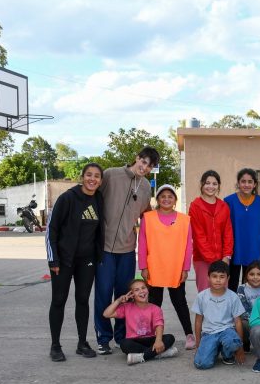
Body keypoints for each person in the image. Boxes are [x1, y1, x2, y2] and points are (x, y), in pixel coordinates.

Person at [94, 146, 157, 355]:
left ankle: (122, 338)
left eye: (149, 166)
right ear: (136, 158)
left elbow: (147, 217)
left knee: (125, 295)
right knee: (103, 294)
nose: (145, 167)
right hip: (104, 247)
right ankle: (103, 339)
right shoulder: (111, 175)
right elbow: (92, 197)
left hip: (128, 248)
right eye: (144, 162)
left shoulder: (146, 186)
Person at [46, 163, 104, 362]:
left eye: (97, 176)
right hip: (63, 260)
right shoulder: (67, 198)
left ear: (101, 181)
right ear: (82, 177)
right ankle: (55, 345)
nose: (92, 179)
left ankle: (82, 343)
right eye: (89, 175)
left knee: (82, 300)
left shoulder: (98, 199)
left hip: (86, 261)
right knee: (59, 300)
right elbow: (51, 230)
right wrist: (53, 258)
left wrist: (98, 256)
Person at [138, 184, 195, 350]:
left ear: (175, 200)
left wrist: (185, 268)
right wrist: (143, 266)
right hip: (154, 266)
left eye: (170, 196)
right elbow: (142, 244)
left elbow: (188, 246)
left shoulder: (185, 220)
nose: (166, 199)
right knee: (155, 303)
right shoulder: (148, 218)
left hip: (176, 267)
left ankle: (189, 334)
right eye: (163, 196)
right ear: (157, 199)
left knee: (180, 301)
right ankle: (151, 335)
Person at [102, 278, 178, 365]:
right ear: (132, 294)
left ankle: (141, 357)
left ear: (148, 290)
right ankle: (159, 354)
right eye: (136, 290)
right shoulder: (127, 307)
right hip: (134, 340)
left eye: (143, 288)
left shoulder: (155, 309)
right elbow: (106, 314)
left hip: (150, 340)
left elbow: (159, 325)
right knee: (124, 344)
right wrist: (119, 300)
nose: (141, 291)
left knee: (170, 338)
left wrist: (158, 341)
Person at [191, 261, 245, 369]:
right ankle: (214, 349)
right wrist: (198, 343)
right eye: (214, 276)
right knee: (201, 364)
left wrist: (240, 347)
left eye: (222, 277)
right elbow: (198, 321)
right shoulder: (202, 296)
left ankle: (227, 354)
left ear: (228, 278)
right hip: (209, 333)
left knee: (232, 341)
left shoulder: (233, 296)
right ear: (208, 277)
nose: (218, 280)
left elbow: (238, 321)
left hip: (227, 330)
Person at [189, 170, 234, 292]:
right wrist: (214, 260)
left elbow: (228, 233)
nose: (211, 186)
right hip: (202, 259)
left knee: (222, 293)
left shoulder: (223, 206)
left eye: (214, 184)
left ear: (218, 186)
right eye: (207, 183)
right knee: (205, 293)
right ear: (202, 185)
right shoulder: (195, 206)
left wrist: (226, 256)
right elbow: (198, 236)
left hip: (222, 259)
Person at [224, 168, 260, 291]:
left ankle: (247, 310)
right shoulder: (228, 201)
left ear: (255, 184)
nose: (246, 185)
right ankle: (232, 308)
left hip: (253, 249)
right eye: (243, 181)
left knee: (249, 285)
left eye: (250, 181)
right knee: (232, 283)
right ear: (238, 183)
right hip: (234, 248)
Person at [236, 260, 260, 353]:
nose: (255, 277)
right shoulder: (242, 288)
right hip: (250, 321)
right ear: (246, 275)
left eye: (259, 274)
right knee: (241, 323)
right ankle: (246, 342)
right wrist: (258, 321)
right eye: (252, 274)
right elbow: (243, 310)